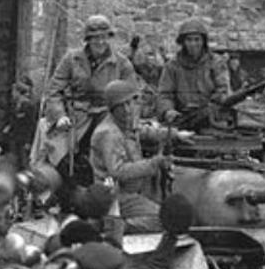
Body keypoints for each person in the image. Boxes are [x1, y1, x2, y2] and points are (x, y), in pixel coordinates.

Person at [40, 15, 136, 173]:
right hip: (76, 116)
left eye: (104, 37)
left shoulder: (122, 63)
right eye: (95, 38)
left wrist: (128, 121)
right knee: (59, 155)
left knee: (116, 151)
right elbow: (54, 90)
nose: (100, 42)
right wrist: (59, 115)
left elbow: (133, 96)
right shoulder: (72, 59)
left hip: (108, 115)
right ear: (88, 39)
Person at [90, 81, 170, 232]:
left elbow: (142, 131)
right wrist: (153, 164)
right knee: (163, 219)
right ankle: (117, 226)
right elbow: (117, 171)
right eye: (121, 106)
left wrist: (174, 134)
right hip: (116, 194)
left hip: (133, 190)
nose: (127, 110)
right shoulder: (108, 133)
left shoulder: (123, 123)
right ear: (112, 109)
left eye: (129, 103)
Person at [156, 18, 229, 129]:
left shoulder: (215, 63)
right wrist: (168, 111)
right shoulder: (172, 66)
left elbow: (223, 90)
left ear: (203, 41)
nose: (193, 44)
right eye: (189, 40)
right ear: (183, 42)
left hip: (212, 121)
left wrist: (211, 107)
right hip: (182, 120)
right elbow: (164, 94)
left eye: (197, 39)